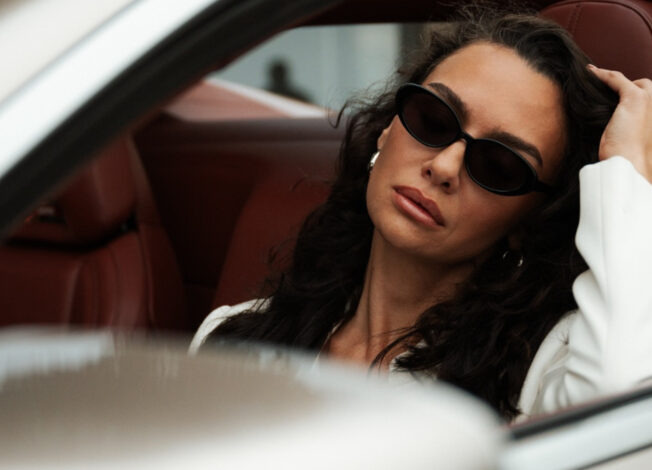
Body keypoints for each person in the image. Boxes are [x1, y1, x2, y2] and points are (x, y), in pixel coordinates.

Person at [190, 8, 652, 422]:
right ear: (388, 128)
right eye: (433, 119)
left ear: (527, 222)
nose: (445, 167)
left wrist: (627, 170)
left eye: (498, 165)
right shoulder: (232, 338)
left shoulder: (542, 372)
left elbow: (617, 410)